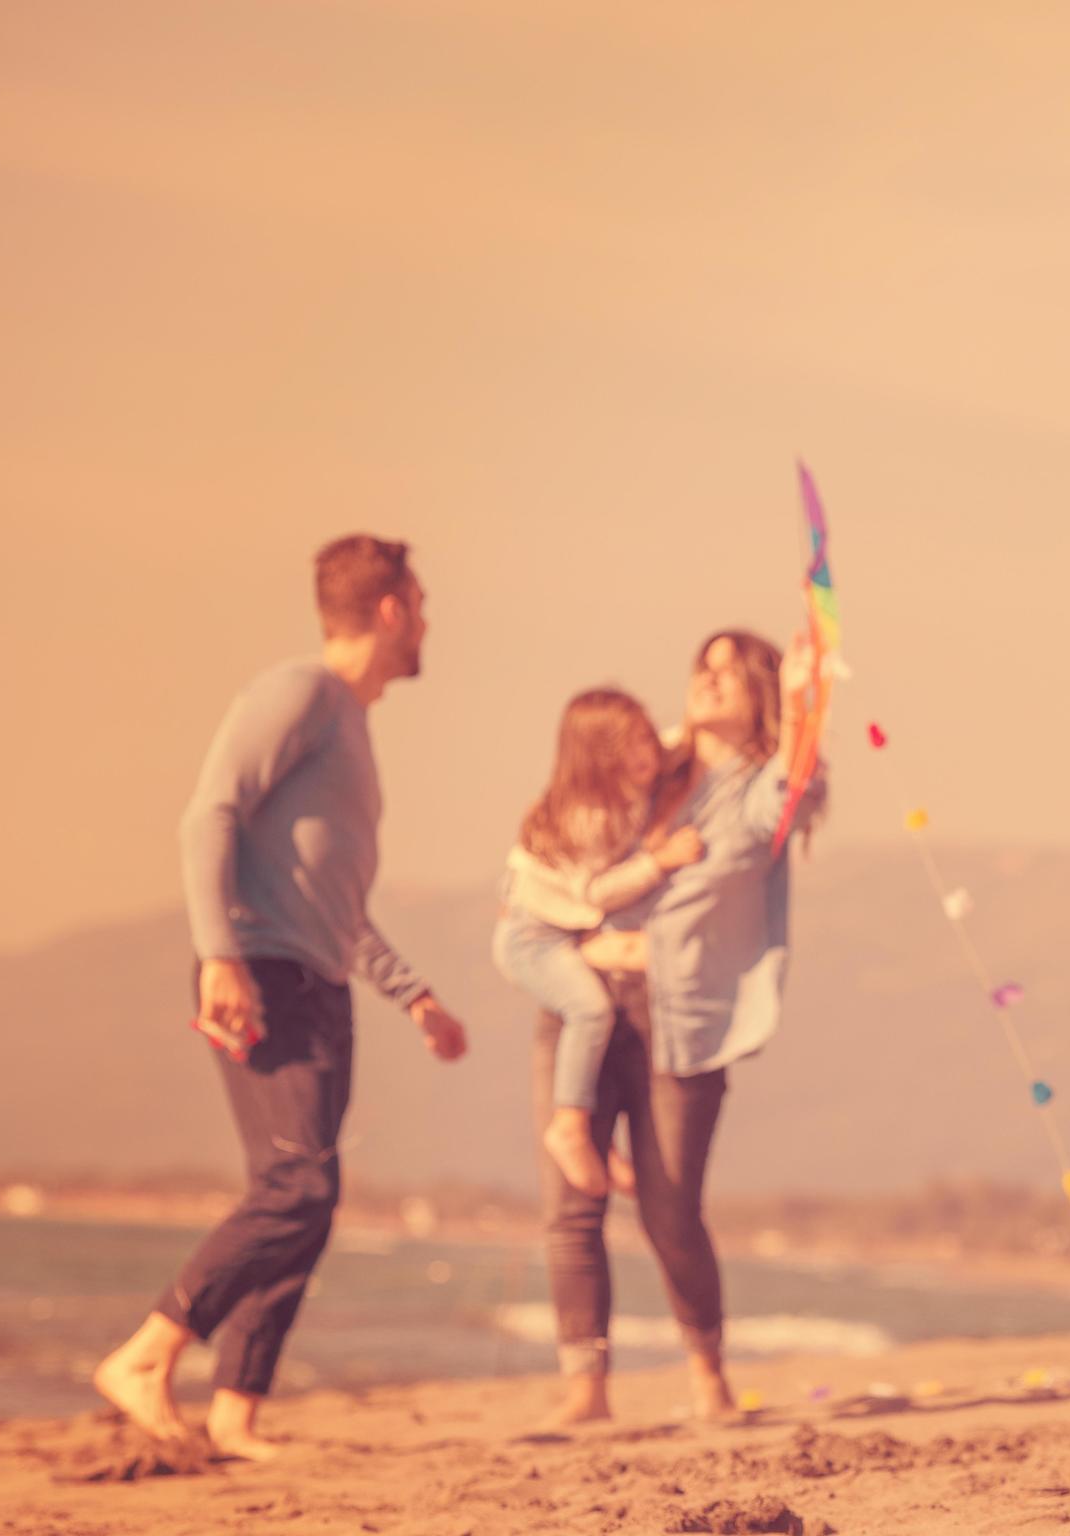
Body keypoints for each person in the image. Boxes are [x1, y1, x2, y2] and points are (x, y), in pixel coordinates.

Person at [92, 534, 468, 1460]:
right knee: (300, 1186)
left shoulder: (348, 721)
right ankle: (150, 1352)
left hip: (314, 978)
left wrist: (410, 993)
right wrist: (221, 957)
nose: (428, 621)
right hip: (261, 973)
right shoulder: (299, 693)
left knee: (301, 1194)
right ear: (389, 609)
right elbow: (206, 813)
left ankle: (235, 1412)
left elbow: (333, 902)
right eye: (420, 602)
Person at [535, 628, 820, 1425]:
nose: (711, 680)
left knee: (669, 1206)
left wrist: (803, 701)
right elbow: (556, 834)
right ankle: (584, 1390)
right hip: (582, 999)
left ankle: (706, 1376)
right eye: (704, 666)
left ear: (761, 693)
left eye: (732, 673)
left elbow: (799, 789)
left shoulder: (758, 786)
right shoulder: (639, 761)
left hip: (679, 1017)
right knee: (571, 1200)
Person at [492, 688, 706, 1198]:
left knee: (594, 1022)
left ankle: (592, 1134)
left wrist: (698, 711)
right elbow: (596, 893)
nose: (645, 757)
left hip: (560, 930)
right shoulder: (588, 816)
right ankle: (568, 1127)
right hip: (533, 937)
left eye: (645, 739)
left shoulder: (646, 765)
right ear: (595, 764)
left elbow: (682, 740)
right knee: (589, 1012)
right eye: (626, 750)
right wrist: (662, 861)